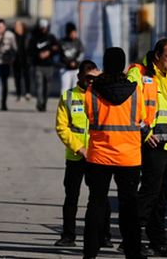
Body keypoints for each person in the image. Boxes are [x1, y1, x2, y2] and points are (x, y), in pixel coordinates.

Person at [82, 47, 146, 259]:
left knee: (96, 203)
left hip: (99, 155)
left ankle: (90, 253)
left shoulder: (92, 91)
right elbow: (142, 117)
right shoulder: (135, 91)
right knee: (129, 207)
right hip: (129, 157)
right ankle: (133, 253)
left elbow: (90, 116)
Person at [132, 39, 167, 257]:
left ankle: (158, 241)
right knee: (149, 194)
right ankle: (132, 239)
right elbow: (132, 107)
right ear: (157, 55)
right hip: (153, 145)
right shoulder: (142, 75)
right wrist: (144, 132)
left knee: (163, 196)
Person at [54, 59, 101, 247]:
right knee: (71, 197)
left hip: (98, 156)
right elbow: (61, 128)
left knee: (99, 198)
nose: (90, 81)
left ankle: (102, 235)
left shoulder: (102, 97)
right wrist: (80, 148)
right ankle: (68, 235)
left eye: (94, 78)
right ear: (79, 76)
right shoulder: (68, 97)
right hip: (76, 156)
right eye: (87, 77)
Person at [30, 19, 59, 112]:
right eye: (41, 27)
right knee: (39, 86)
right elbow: (30, 51)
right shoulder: (34, 38)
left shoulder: (51, 38)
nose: (43, 29)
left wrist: (49, 52)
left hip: (49, 66)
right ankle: (39, 102)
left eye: (45, 27)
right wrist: (38, 55)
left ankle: (44, 103)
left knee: (47, 87)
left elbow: (57, 48)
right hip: (38, 66)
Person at [58, 22, 84, 93]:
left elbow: (81, 54)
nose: (74, 34)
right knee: (65, 89)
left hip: (76, 69)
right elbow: (62, 55)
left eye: (75, 32)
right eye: (72, 33)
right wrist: (69, 63)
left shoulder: (78, 42)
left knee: (75, 88)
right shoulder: (62, 42)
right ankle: (66, 104)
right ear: (68, 33)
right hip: (65, 69)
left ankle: (74, 104)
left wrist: (75, 62)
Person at [12, 20, 32, 100]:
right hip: (16, 59)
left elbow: (30, 48)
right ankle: (18, 93)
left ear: (22, 27)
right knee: (17, 77)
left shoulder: (27, 36)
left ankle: (27, 92)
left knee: (26, 76)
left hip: (25, 59)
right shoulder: (13, 36)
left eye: (18, 26)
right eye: (15, 26)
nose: (16, 28)